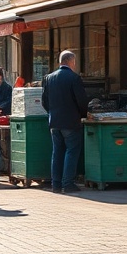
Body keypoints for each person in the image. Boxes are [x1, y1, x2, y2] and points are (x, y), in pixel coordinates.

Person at [42, 49, 88, 194]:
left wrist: (52, 112)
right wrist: (83, 114)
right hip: (71, 121)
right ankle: (68, 184)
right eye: (74, 62)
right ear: (71, 61)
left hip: (54, 121)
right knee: (71, 151)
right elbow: (81, 101)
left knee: (57, 152)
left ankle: (56, 184)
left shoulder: (49, 78)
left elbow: (44, 101)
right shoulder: (74, 78)